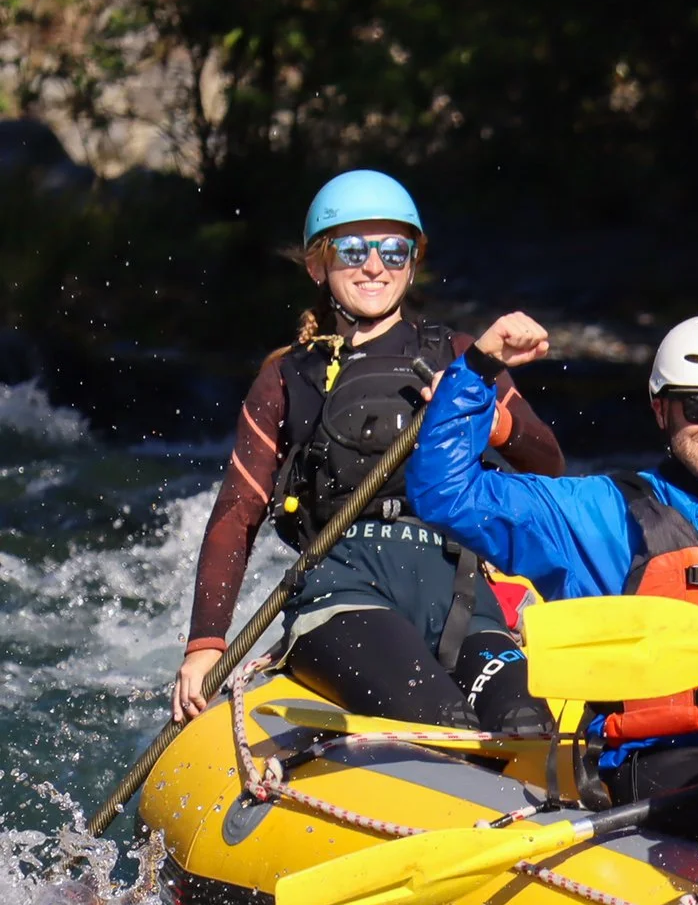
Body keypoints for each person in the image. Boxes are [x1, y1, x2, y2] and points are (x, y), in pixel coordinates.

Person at [406, 310, 698, 854]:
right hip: (658, 765)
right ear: (660, 409)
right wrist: (477, 370)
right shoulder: (593, 511)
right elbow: (445, 492)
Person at [175, 170, 562, 732]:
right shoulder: (286, 378)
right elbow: (236, 517)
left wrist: (495, 421)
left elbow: (549, 464)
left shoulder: (462, 357)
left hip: (457, 593)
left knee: (528, 725)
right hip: (343, 593)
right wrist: (205, 645)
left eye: (393, 249)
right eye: (353, 249)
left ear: (413, 259)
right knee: (441, 721)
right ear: (317, 265)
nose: (375, 265)